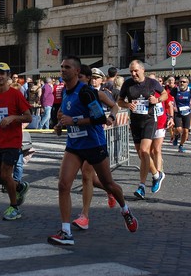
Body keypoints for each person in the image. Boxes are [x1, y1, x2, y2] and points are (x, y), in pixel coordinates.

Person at [49, 56, 137, 245]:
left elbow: (99, 119)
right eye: (62, 67)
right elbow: (66, 116)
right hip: (74, 145)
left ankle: (125, 210)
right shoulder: (64, 92)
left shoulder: (87, 92)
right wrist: (59, 125)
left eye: (67, 67)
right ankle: (66, 232)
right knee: (63, 185)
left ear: (77, 72)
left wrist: (74, 121)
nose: (63, 70)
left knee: (108, 183)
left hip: (93, 144)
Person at [70, 65, 119, 231]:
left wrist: (111, 117)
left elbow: (115, 106)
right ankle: (109, 189)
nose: (81, 80)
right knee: (94, 179)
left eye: (84, 77)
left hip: (94, 139)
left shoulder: (98, 93)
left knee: (86, 175)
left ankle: (85, 216)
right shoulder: (72, 94)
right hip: (77, 141)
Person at [0, 62, 32, 221]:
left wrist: (13, 118)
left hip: (13, 141)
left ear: (8, 76)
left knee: (6, 173)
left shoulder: (16, 94)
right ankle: (20, 186)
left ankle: (14, 207)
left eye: (2, 73)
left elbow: (28, 116)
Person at [117, 60, 167, 200]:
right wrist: (127, 105)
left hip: (150, 120)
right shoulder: (127, 84)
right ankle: (157, 175)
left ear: (142, 70)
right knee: (141, 154)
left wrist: (156, 100)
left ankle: (142, 186)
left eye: (135, 71)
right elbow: (119, 101)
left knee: (145, 151)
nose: (133, 73)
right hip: (135, 122)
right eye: (131, 71)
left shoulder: (152, 83)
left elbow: (165, 95)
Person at [171, 76, 191, 153]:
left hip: (187, 112)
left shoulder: (190, 91)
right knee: (178, 129)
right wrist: (172, 105)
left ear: (187, 83)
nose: (182, 83)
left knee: (185, 131)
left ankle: (181, 145)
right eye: (180, 82)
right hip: (177, 112)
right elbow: (170, 98)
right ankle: (176, 136)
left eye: (184, 82)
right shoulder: (175, 90)